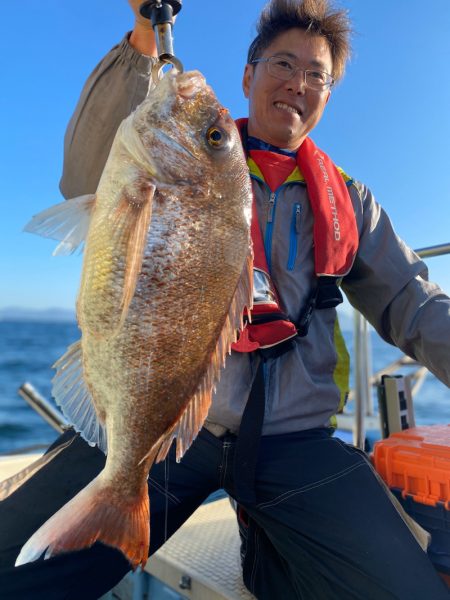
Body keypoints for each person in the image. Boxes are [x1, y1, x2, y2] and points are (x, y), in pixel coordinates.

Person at [1, 0, 450, 598]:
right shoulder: (169, 156)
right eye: (282, 64)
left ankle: (266, 546)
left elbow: (414, 305)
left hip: (294, 439)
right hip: (160, 428)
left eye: (317, 75)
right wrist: (142, 38)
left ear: (328, 96)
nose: (297, 84)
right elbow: (83, 173)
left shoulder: (351, 202)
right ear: (248, 75)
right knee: (12, 567)